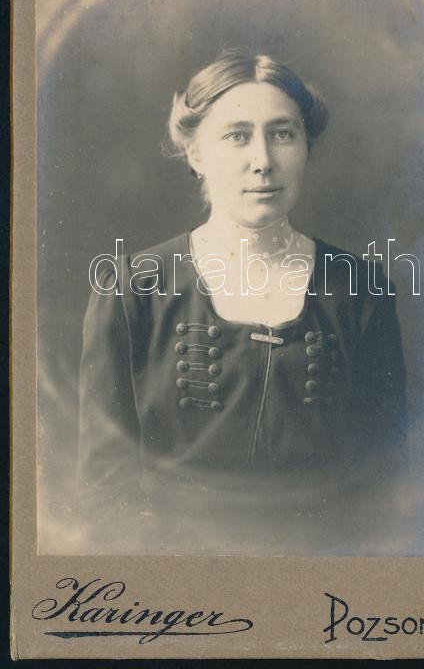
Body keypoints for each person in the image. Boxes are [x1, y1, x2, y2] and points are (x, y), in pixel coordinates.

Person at [78, 48, 406, 555]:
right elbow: (104, 487)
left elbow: (388, 477)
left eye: (283, 134)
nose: (263, 161)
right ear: (195, 154)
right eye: (237, 136)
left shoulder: (360, 288)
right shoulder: (132, 289)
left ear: (306, 146)